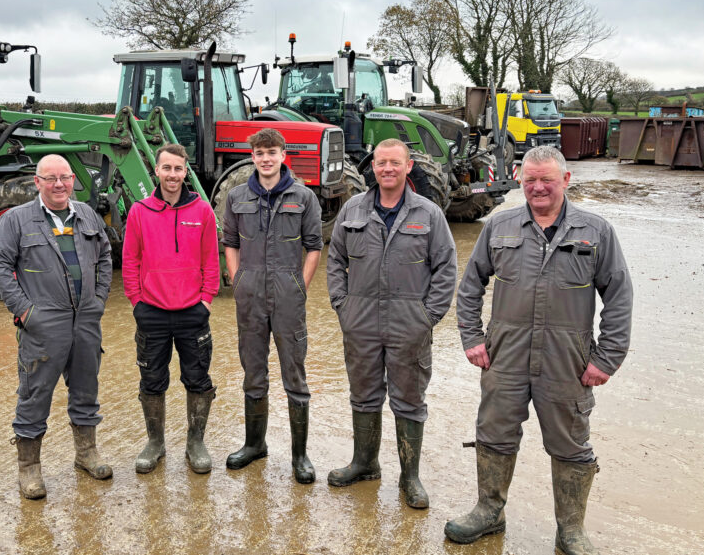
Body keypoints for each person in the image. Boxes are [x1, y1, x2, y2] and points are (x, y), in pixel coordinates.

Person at [445, 145, 633, 555]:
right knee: (494, 434)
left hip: (567, 361)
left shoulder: (595, 231)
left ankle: (571, 530)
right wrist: (472, 338)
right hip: (505, 356)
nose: (538, 187)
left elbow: (618, 296)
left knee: (571, 443)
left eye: (547, 179)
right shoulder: (500, 226)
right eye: (530, 179)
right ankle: (489, 511)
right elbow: (471, 285)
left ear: (566, 179)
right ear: (520, 180)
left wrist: (607, 359)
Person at [326, 138, 456, 508]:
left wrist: (427, 316)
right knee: (363, 393)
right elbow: (335, 261)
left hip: (408, 323)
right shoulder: (353, 209)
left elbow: (446, 268)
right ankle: (364, 463)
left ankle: (409, 477)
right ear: (373, 167)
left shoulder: (428, 213)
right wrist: (343, 305)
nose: (387, 169)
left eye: (394, 163)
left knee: (409, 400)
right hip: (361, 322)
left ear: (408, 166)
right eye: (381, 162)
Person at [0, 154, 114, 500]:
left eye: (65, 177)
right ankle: (29, 468)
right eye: (51, 178)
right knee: (34, 395)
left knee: (86, 388)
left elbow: (104, 255)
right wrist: (26, 312)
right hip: (44, 322)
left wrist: (98, 299)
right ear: (37, 182)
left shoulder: (85, 214)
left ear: (74, 179)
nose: (59, 184)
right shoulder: (16, 220)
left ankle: (86, 453)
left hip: (86, 319)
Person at [221, 128, 323, 484]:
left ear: (283, 155)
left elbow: (314, 245)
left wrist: (300, 285)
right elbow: (229, 241)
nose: (266, 158)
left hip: (288, 294)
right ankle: (254, 445)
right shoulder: (236, 197)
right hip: (250, 295)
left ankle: (300, 455)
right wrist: (238, 277)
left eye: (272, 152)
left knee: (294, 373)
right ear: (253, 157)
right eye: (259, 153)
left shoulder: (304, 197)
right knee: (253, 371)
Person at [123, 143, 220, 475]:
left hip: (193, 311)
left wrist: (206, 299)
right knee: (151, 380)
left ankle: (195, 443)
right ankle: (155, 443)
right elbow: (130, 260)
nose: (172, 175)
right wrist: (136, 301)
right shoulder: (140, 211)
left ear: (185, 171)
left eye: (178, 169)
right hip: (151, 311)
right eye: (167, 168)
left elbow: (211, 259)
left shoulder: (202, 211)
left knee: (198, 378)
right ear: (157, 170)